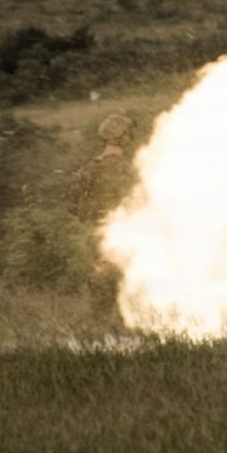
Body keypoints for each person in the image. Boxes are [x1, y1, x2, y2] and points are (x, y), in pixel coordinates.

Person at [67, 114, 137, 323]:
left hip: (98, 235)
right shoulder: (129, 169)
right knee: (129, 284)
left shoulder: (88, 169)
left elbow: (71, 204)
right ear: (124, 137)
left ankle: (103, 332)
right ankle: (130, 328)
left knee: (101, 286)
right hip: (127, 235)